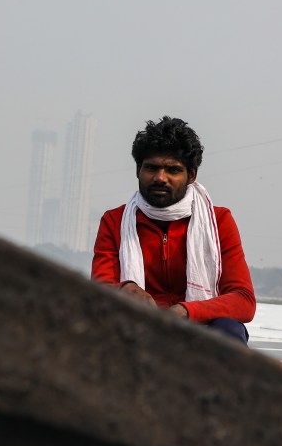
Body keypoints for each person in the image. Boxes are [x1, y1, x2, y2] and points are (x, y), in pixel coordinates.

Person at [90, 116, 255, 343]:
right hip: (138, 324)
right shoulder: (115, 221)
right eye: (151, 168)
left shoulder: (219, 221)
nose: (160, 178)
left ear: (191, 175)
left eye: (173, 170)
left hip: (199, 325)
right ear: (138, 170)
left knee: (229, 328)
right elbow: (100, 290)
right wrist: (125, 289)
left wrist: (186, 311)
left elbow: (243, 300)